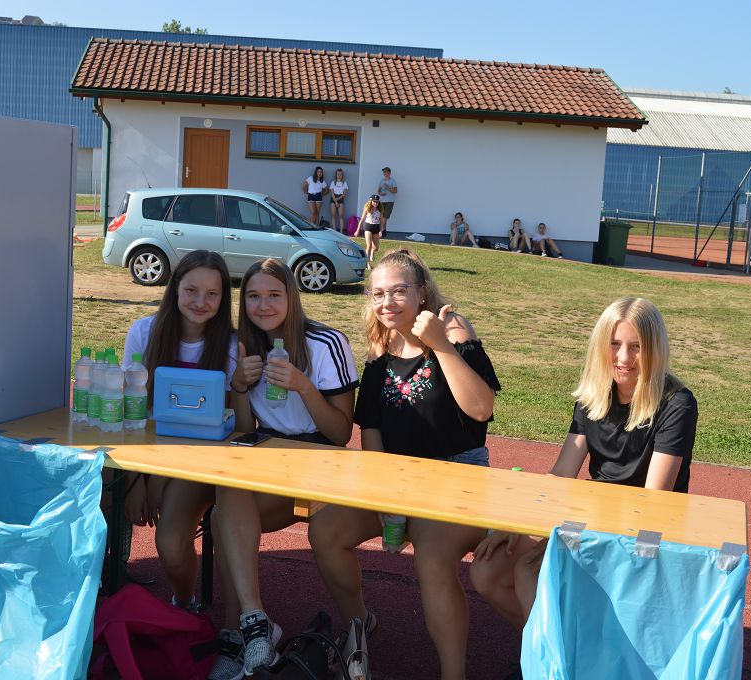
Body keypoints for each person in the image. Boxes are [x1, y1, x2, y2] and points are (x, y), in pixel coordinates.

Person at [308, 249, 501, 680]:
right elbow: (372, 430)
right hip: (397, 480)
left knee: (431, 558)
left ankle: (453, 674)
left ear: (422, 293)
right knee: (325, 530)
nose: (387, 302)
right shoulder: (380, 348)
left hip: (456, 476)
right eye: (378, 294)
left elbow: (481, 409)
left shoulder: (453, 330)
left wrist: (440, 345)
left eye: (398, 291)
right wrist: (383, 496)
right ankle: (360, 623)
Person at [470, 297, 698, 635]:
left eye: (636, 347)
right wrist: (517, 524)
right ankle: (557, 653)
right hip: (592, 517)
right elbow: (562, 474)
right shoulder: (593, 396)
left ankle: (558, 657)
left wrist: (571, 535)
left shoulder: (677, 404)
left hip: (641, 532)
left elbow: (652, 500)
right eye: (615, 344)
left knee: (529, 573)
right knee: (485, 571)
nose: (624, 358)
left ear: (655, 348)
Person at [208, 258, 359, 678]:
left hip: (322, 459)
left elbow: (340, 433)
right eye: (253, 296)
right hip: (270, 454)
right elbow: (244, 431)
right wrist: (239, 386)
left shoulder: (327, 343)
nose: (264, 305)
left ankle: (241, 633)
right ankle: (252, 627)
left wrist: (303, 385)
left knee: (223, 517)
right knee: (226, 498)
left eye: (274, 295)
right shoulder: (238, 346)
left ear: (291, 296)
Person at [121, 250, 237, 611]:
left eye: (212, 293)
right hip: (143, 452)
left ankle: (184, 604)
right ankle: (108, 581)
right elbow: (129, 412)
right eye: (191, 290)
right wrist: (135, 479)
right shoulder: (144, 332)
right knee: (95, 494)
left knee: (170, 543)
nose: (200, 302)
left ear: (223, 298)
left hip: (200, 462)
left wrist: (159, 478)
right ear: (174, 289)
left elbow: (227, 428)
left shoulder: (231, 346)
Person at [355, 195, 383, 264]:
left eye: (377, 202)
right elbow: (362, 220)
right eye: (374, 201)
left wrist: (381, 231)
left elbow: (381, 221)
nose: (375, 203)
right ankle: (367, 263)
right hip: (368, 227)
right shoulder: (367, 209)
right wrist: (357, 230)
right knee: (369, 245)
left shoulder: (380, 210)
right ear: (371, 201)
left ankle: (372, 252)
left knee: (376, 248)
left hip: (376, 227)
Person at [377, 166, 398, 238]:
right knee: (382, 217)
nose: (384, 173)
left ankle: (380, 231)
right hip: (382, 201)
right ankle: (384, 232)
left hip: (390, 201)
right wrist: (381, 193)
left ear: (389, 173)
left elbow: (395, 191)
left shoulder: (393, 181)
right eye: (383, 172)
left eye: (385, 172)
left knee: (385, 217)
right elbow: (378, 191)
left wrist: (387, 188)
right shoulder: (381, 181)